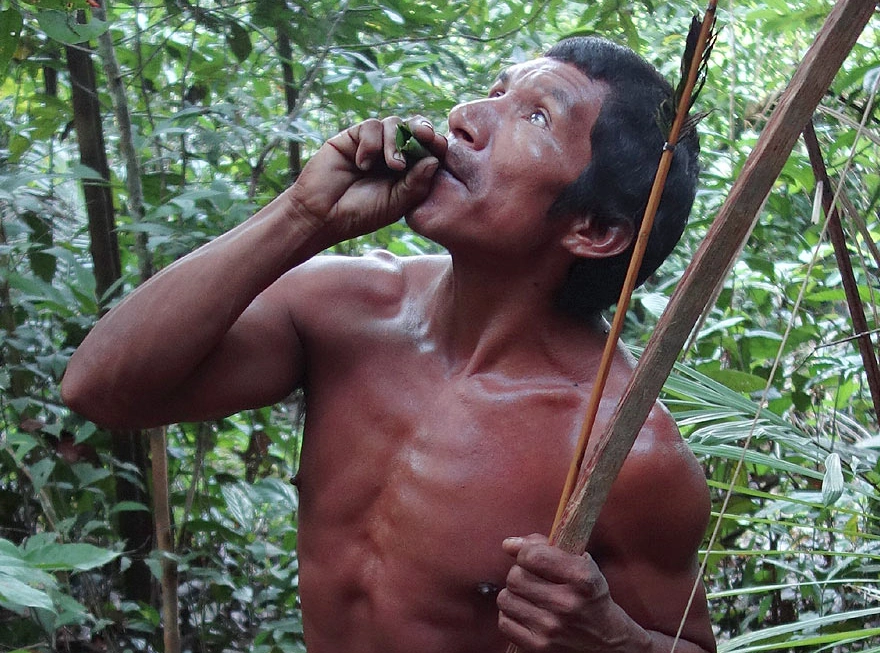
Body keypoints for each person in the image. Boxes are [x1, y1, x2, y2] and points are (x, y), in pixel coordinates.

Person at [62, 36, 717, 653]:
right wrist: (303, 214)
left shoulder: (625, 452)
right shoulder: (347, 309)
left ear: (597, 229)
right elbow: (100, 388)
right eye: (494, 89)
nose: (465, 116)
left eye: (538, 117)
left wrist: (612, 638)